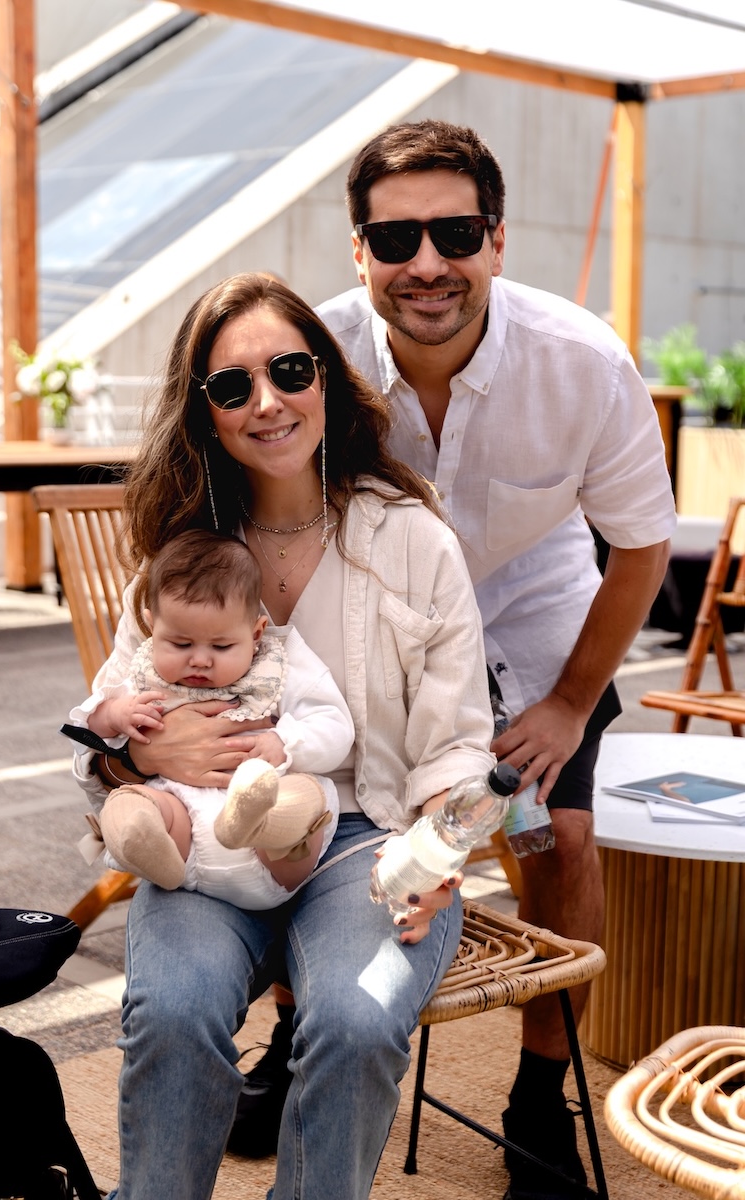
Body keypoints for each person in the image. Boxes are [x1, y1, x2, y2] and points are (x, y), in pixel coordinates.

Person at [236, 119, 677, 1198]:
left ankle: (537, 1097)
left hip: (535, 635)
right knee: (308, 822)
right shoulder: (310, 360)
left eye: (455, 233)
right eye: (395, 240)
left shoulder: (582, 361)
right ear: (358, 252)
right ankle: (295, 1036)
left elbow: (640, 546)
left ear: (496, 240)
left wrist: (570, 703)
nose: (426, 263)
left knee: (559, 841)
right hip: (371, 631)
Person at [72, 271, 498, 1200]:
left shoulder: (413, 540)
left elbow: (459, 743)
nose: (266, 402)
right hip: (206, 837)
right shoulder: (183, 549)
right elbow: (105, 718)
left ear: (326, 380)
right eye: (233, 386)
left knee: (357, 1018)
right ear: (206, 411)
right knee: (172, 1011)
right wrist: (137, 754)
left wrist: (437, 854)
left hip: (368, 839)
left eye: (290, 371)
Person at [66, 528, 354, 907]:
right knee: (143, 805)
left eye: (221, 646)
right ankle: (142, 842)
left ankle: (256, 821)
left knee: (300, 798)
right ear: (152, 626)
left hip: (273, 843)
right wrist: (113, 714)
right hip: (184, 827)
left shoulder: (278, 667)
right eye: (180, 643)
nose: (200, 659)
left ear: (256, 633)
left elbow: (333, 724)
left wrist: (285, 742)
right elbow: (86, 730)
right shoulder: (144, 678)